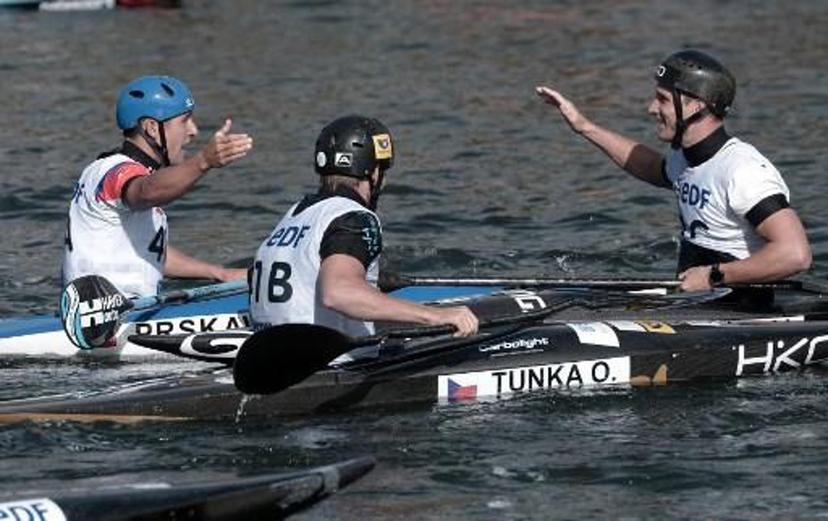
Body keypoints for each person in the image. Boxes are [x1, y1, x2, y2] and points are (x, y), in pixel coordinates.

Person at [536, 49, 811, 292]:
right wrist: (585, 126)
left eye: (662, 99)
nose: (651, 108)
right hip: (697, 299)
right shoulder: (684, 156)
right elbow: (653, 168)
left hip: (742, 308)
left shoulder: (743, 170)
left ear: (696, 104)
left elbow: (794, 254)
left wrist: (713, 277)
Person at [249, 115, 479, 354]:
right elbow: (338, 293)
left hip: (272, 359)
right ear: (371, 172)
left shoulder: (295, 214)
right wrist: (436, 316)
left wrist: (369, 283)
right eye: (383, 169)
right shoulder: (355, 218)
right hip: (331, 366)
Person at [62, 75, 253, 297]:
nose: (193, 130)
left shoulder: (124, 171)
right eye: (185, 121)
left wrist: (221, 274)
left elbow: (147, 251)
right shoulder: (113, 171)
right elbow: (145, 191)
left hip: (122, 312)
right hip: (105, 322)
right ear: (152, 128)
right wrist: (204, 161)